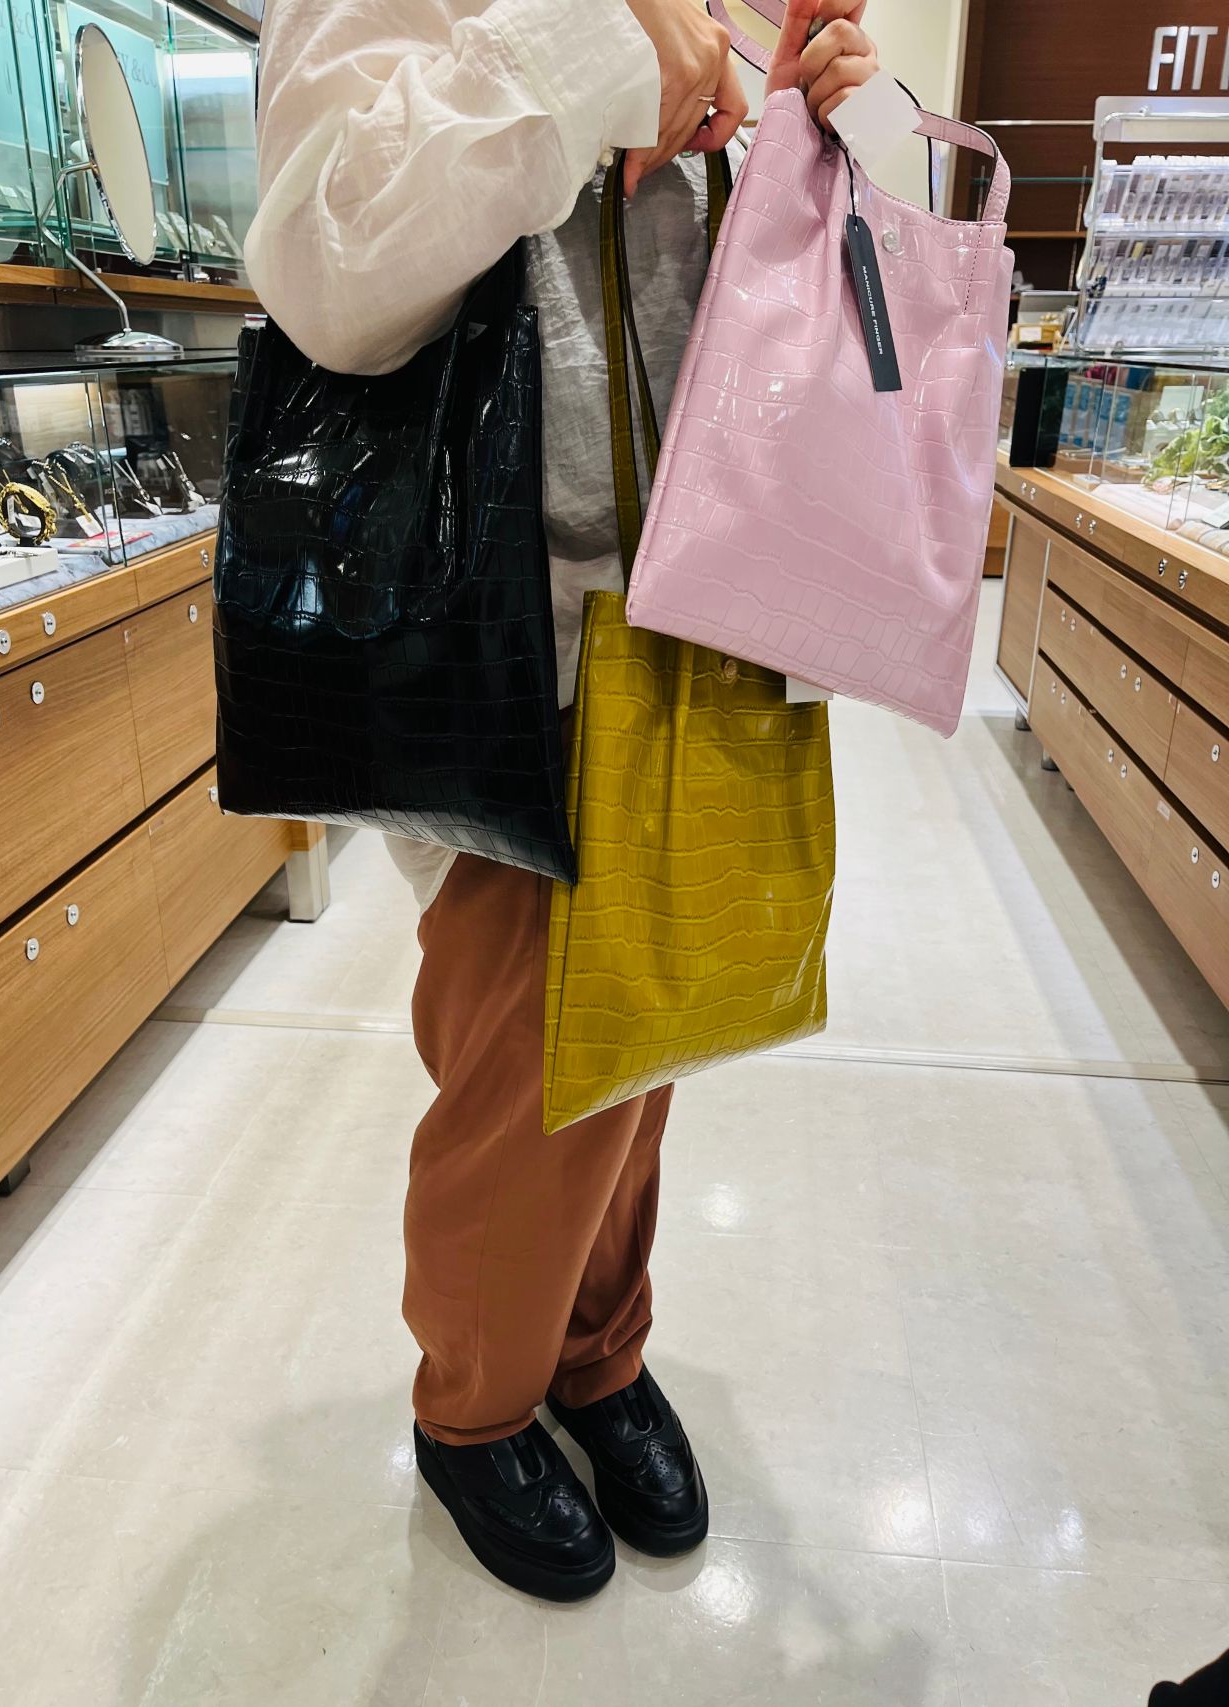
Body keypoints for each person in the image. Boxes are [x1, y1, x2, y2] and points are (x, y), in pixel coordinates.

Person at [246, 0, 881, 1601]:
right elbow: (325, 273)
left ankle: (596, 1350)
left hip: (692, 602)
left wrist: (812, 134)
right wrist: (597, 44)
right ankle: (474, 1405)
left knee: (637, 1046)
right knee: (528, 1088)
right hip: (504, 630)